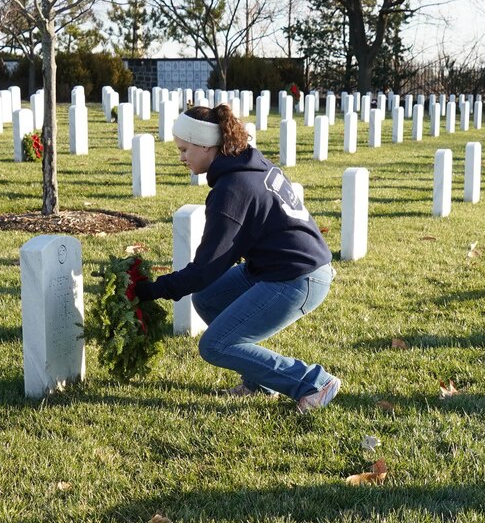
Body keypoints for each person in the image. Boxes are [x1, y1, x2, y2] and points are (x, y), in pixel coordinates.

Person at [133, 104, 341, 411]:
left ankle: (313, 382)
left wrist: (151, 291)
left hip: (298, 277)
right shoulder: (246, 166)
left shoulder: (233, 188)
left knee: (215, 345)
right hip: (273, 268)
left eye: (184, 149)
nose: (181, 158)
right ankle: (260, 381)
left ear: (206, 145)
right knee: (207, 298)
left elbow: (206, 268)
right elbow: (210, 277)